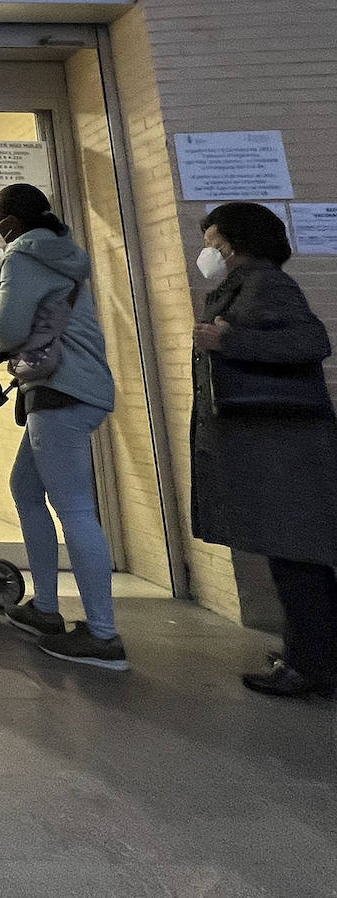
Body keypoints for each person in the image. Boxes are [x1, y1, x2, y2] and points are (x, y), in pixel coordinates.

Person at [192, 202, 337, 698]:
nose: (208, 253)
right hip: (274, 444)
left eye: (212, 243)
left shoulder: (266, 283)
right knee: (295, 557)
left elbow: (310, 342)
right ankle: (311, 653)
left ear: (235, 243)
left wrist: (227, 340)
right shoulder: (249, 283)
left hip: (284, 447)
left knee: (297, 557)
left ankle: (310, 665)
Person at [0, 183, 124, 671]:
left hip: (60, 389)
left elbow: (7, 332)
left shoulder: (22, 257)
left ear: (9, 220)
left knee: (75, 509)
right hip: (78, 387)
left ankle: (104, 636)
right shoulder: (66, 255)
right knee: (25, 488)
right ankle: (46, 608)